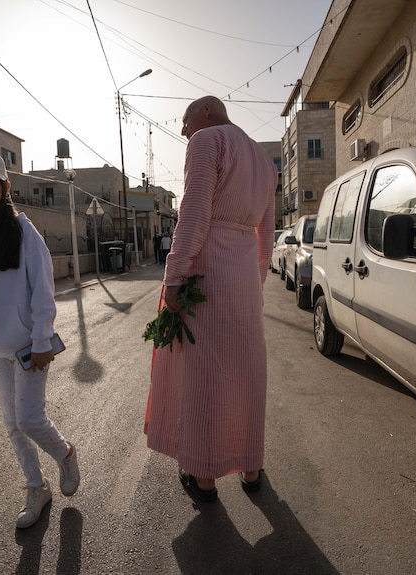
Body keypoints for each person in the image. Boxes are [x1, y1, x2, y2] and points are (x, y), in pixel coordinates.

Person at [144, 96, 278, 502]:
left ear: (205, 111)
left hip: (208, 275)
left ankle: (203, 476)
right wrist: (254, 281)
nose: (184, 132)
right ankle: (251, 467)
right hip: (242, 281)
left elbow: (194, 213)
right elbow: (266, 235)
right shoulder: (263, 160)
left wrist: (174, 276)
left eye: (185, 123)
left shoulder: (207, 141)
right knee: (246, 372)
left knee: (204, 376)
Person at [0, 149, 80, 529]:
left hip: (28, 347)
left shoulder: (23, 231)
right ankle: (35, 486)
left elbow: (43, 290)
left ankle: (65, 453)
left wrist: (42, 340)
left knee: (29, 418)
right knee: (11, 424)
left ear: (5, 187)